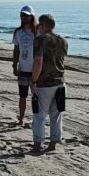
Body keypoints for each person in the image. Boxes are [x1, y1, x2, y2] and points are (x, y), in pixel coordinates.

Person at [30, 13, 68, 154]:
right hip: (60, 82)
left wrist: (33, 80)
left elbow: (38, 62)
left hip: (44, 84)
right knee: (56, 115)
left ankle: (38, 145)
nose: (38, 27)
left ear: (44, 26)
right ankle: (53, 143)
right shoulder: (63, 41)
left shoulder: (40, 40)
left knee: (39, 115)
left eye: (40, 25)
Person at [12, 5, 38, 127]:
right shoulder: (18, 32)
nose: (23, 17)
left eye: (26, 15)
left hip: (35, 70)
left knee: (35, 96)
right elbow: (16, 49)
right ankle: (21, 118)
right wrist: (14, 64)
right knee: (22, 96)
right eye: (22, 15)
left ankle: (36, 119)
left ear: (31, 16)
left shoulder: (38, 31)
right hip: (23, 69)